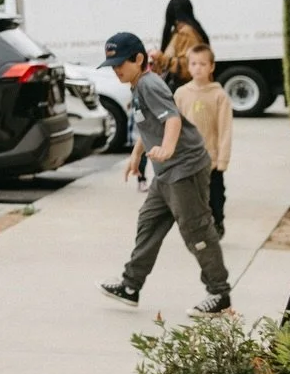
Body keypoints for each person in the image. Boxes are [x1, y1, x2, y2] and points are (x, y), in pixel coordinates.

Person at [98, 30, 232, 316]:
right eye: (113, 66)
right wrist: (137, 155)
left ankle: (219, 294)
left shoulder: (149, 84)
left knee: (196, 230)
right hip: (165, 172)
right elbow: (149, 125)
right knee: (149, 222)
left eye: (121, 63)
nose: (117, 70)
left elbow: (172, 120)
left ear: (138, 59)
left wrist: (169, 149)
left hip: (185, 168)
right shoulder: (137, 85)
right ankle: (130, 286)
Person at [174, 42, 233, 239]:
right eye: (193, 64)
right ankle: (198, 228)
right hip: (188, 159)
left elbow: (225, 129)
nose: (197, 68)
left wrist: (222, 159)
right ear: (188, 66)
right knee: (192, 197)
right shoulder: (181, 94)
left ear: (211, 67)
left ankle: (217, 222)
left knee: (215, 194)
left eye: (202, 64)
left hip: (211, 159)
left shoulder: (219, 95)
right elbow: (175, 126)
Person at [156, 0, 210, 90]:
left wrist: (161, 58)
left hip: (190, 92)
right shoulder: (183, 31)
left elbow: (188, 67)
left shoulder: (185, 33)